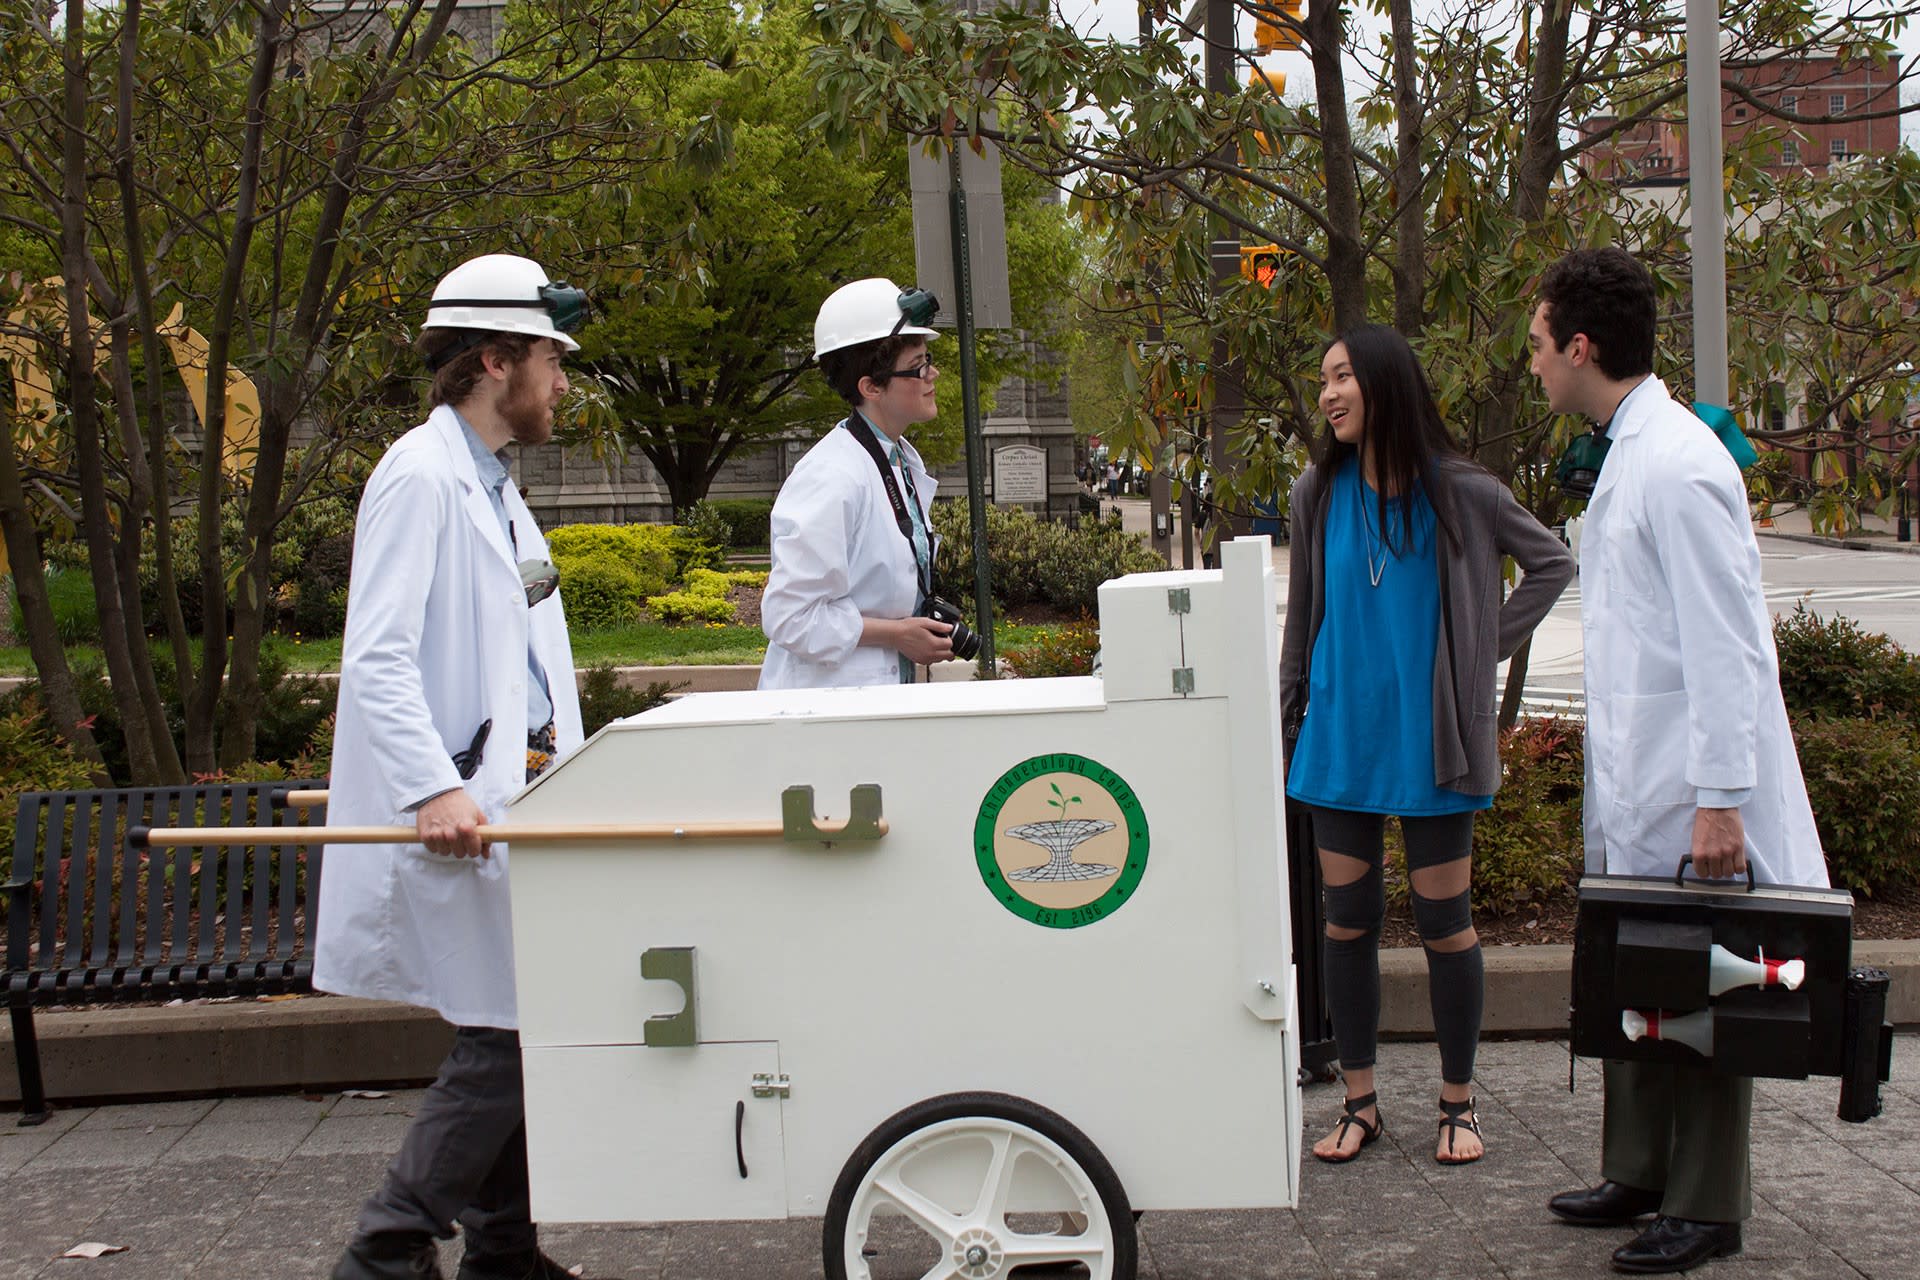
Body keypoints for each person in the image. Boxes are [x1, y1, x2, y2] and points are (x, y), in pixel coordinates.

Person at [1532, 248, 1829, 1274]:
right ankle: (1641, 1170)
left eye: (1538, 346)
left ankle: (1706, 1201)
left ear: (1580, 346)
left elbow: (1729, 647)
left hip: (1690, 787)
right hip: (1641, 777)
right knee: (1638, 967)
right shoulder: (1633, 451)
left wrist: (1721, 798)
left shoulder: (1683, 462)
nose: (1533, 365)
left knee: (1707, 983)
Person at [316, 254, 595, 1280]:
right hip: (463, 804)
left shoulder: (494, 486)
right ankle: (386, 1249)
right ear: (493, 360)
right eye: (549, 361)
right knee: (510, 1028)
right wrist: (432, 785)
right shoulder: (419, 476)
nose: (561, 383)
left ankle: (504, 1251)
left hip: (513, 794)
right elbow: (377, 655)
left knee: (514, 1021)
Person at [1278, 324, 1573, 1168]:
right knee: (1347, 925)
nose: (1328, 394)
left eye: (1341, 378)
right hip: (1341, 738)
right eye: (1323, 379)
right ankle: (1360, 1102)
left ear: (1383, 384)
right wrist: (1290, 713)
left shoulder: (1463, 489)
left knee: (1446, 925)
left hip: (1433, 741)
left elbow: (1551, 563)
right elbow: (1304, 618)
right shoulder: (1319, 492)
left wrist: (1484, 649)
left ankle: (1457, 1103)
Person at [759, 277, 954, 689]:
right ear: (871, 387)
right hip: (824, 712)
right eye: (918, 366)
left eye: (928, 359)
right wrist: (898, 635)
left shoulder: (893, 460)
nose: (932, 373)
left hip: (868, 707)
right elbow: (790, 617)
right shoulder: (831, 475)